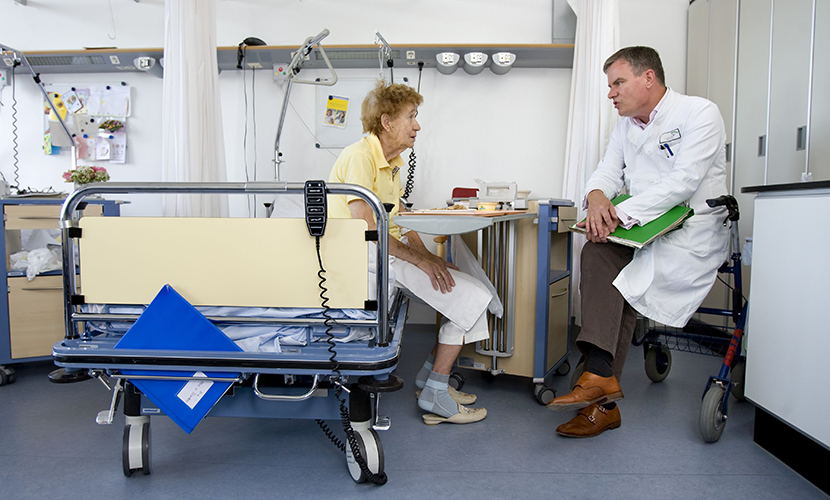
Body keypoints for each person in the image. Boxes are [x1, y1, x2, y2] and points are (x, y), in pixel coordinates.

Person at [547, 46, 729, 438]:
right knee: (596, 251)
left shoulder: (699, 113)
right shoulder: (626, 126)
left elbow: (683, 183)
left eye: (618, 83)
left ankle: (601, 395)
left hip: (690, 231)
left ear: (648, 78)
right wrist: (597, 197)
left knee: (623, 283)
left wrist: (614, 215)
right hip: (641, 228)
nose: (611, 93)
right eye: (609, 85)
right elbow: (607, 172)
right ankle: (599, 378)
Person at [328, 80, 491, 425]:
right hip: (365, 260)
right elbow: (369, 231)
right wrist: (422, 261)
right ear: (387, 122)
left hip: (386, 257)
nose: (417, 126)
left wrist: (431, 258)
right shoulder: (360, 157)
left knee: (473, 290)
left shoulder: (393, 164)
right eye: (411, 117)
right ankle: (434, 392)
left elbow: (402, 223)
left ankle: (431, 381)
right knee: (472, 296)